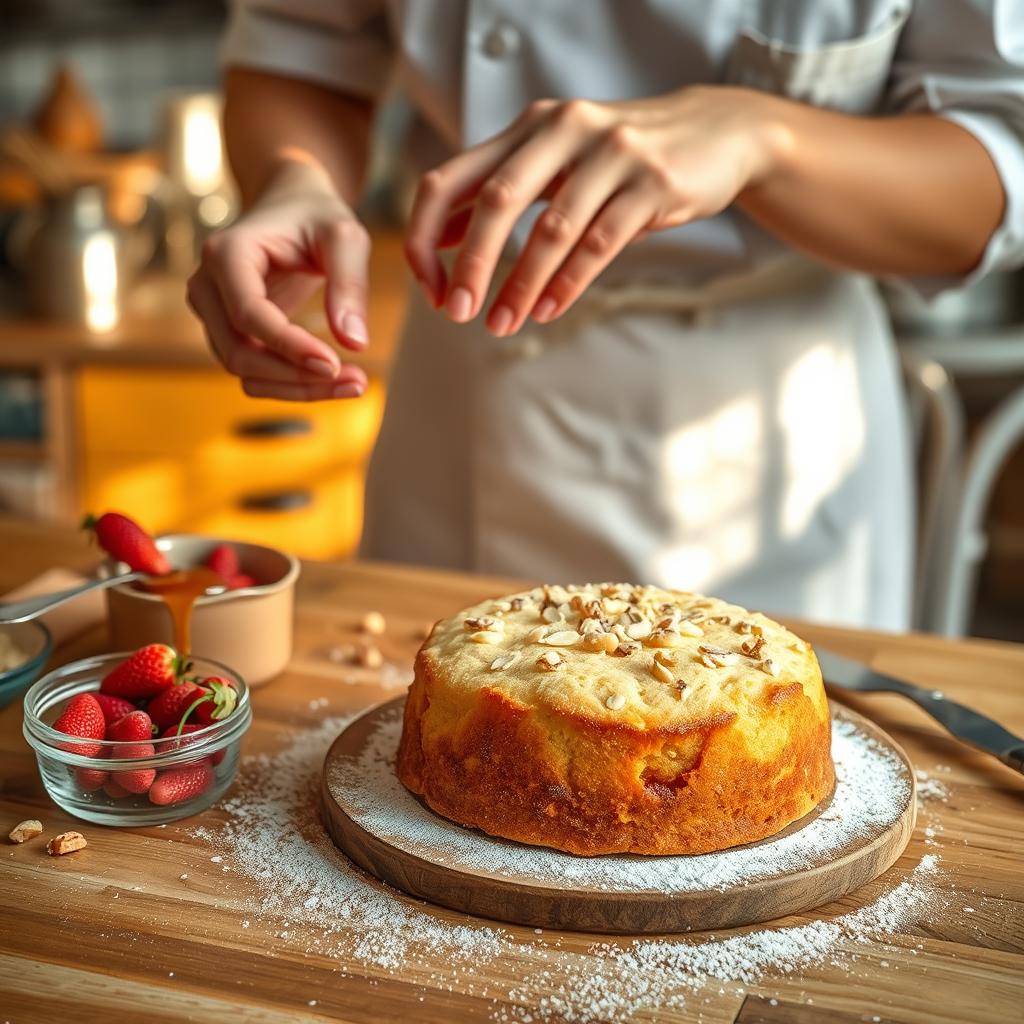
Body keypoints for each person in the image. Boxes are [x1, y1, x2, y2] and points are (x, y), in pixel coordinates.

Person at [188, 1, 1024, 630]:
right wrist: (294, 180)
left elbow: (998, 164)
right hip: (471, 402)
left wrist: (765, 138)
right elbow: (302, 50)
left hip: (777, 437)